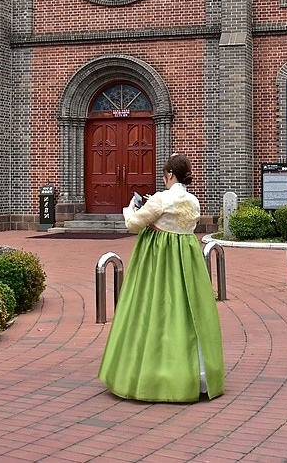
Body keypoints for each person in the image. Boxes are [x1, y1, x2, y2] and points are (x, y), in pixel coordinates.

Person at [98, 154, 225, 402]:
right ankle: (196, 374)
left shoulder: (160, 199)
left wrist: (130, 208)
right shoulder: (193, 201)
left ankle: (151, 374)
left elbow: (133, 224)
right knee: (188, 312)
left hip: (158, 261)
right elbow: (175, 222)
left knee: (153, 310)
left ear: (169, 174)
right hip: (187, 262)